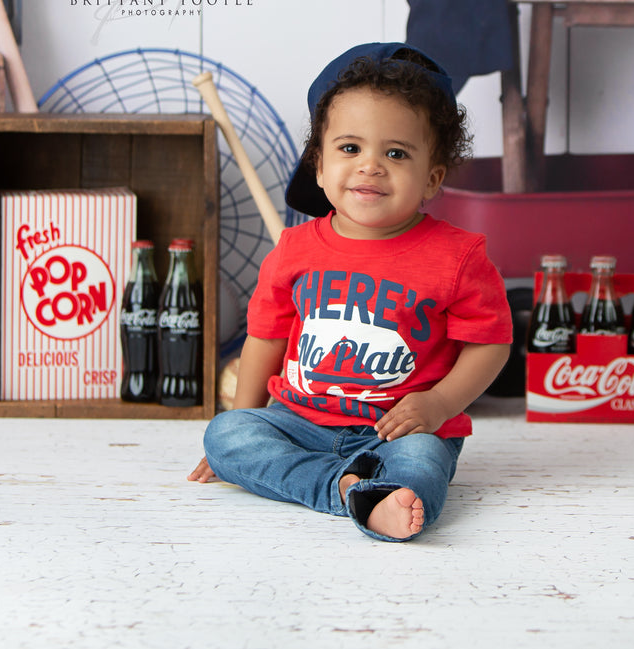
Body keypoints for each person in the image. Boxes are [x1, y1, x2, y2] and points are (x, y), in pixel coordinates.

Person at [188, 43, 512, 541]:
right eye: (350, 148)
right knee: (226, 435)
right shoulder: (294, 250)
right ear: (318, 166)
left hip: (398, 430)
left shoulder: (457, 256)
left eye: (396, 153)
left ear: (432, 177)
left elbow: (490, 342)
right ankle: (346, 491)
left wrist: (440, 404)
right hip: (299, 424)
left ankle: (377, 493)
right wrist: (244, 421)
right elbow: (265, 340)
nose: (370, 166)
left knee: (424, 461)